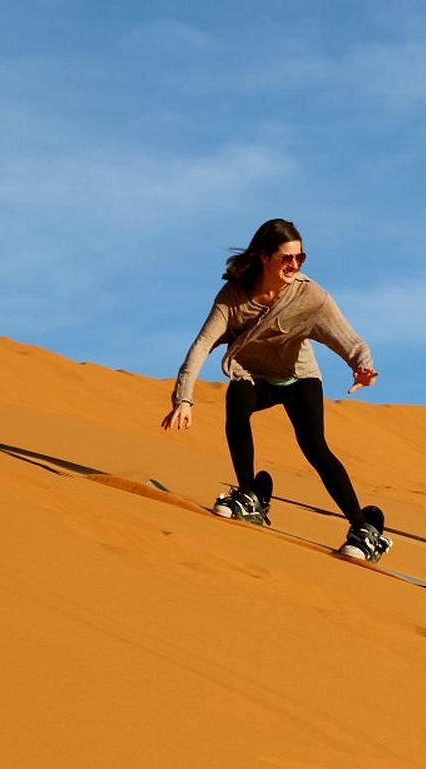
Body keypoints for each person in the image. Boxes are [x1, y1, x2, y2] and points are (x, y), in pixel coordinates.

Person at [160, 218, 392, 562]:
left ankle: (364, 529)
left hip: (299, 378)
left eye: (300, 258)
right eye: (287, 258)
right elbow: (201, 345)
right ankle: (249, 495)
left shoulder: (310, 296)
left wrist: (362, 365)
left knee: (314, 446)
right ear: (264, 256)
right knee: (236, 402)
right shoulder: (234, 297)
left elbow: (347, 338)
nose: (294, 265)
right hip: (255, 377)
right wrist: (184, 398)